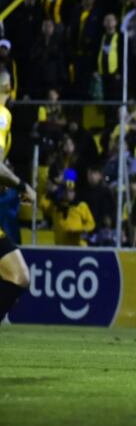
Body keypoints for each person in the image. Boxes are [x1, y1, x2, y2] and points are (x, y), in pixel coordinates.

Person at [0, 75, 35, 323]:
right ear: (8, 89)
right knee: (18, 275)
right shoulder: (2, 115)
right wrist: (22, 185)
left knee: (18, 275)